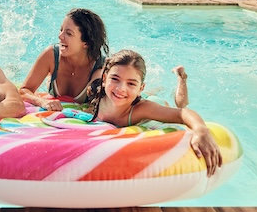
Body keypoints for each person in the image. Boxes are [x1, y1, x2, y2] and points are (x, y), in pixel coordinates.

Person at [88, 49, 222, 176]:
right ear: (104, 79)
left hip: (153, 102)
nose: (120, 88)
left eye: (131, 83)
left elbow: (182, 113)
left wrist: (201, 130)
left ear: (140, 88)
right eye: (115, 79)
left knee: (181, 104)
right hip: (132, 98)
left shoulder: (141, 109)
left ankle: (181, 78)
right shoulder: (96, 96)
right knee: (137, 93)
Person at [20, 8, 109, 111]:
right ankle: (50, 79)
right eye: (61, 30)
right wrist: (42, 101)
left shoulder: (100, 68)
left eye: (69, 33)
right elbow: (24, 90)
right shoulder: (51, 55)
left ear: (86, 43)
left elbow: (100, 107)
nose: (60, 36)